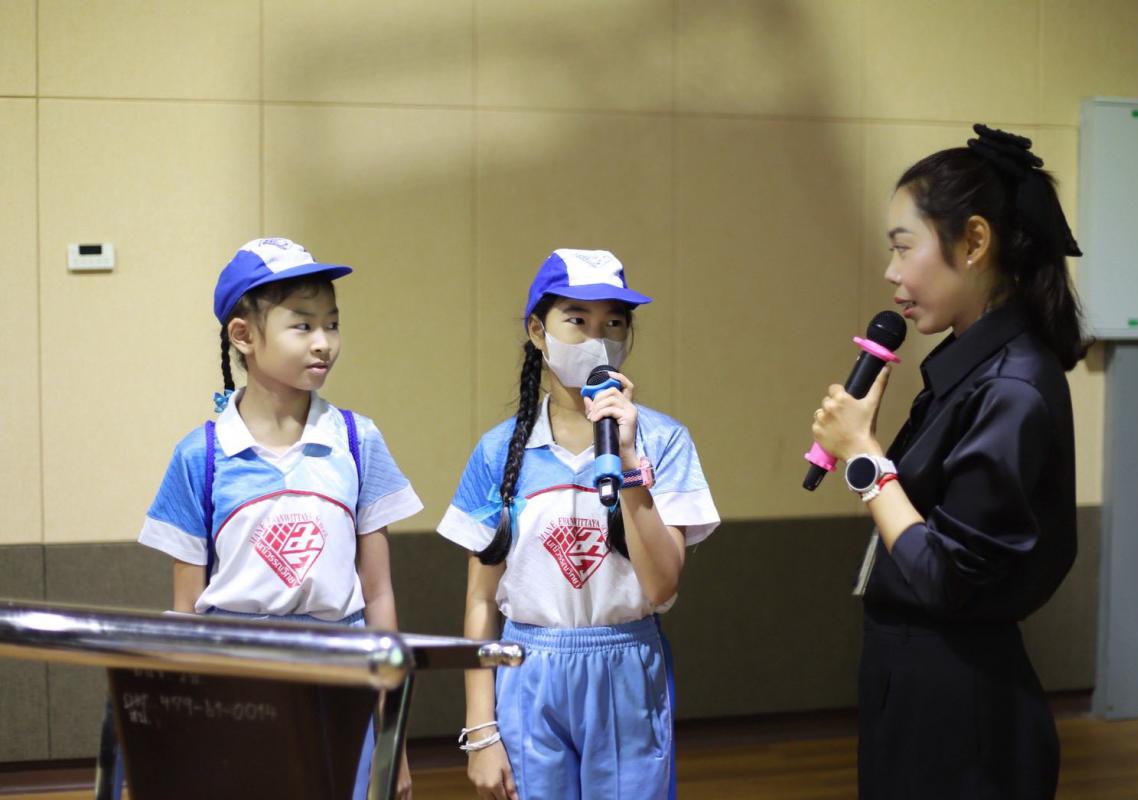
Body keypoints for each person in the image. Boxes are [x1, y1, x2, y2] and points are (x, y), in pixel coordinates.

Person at [811, 125, 1083, 799]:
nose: (891, 271)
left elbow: (946, 576)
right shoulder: (971, 369)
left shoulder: (1012, 385)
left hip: (960, 704)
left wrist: (864, 458)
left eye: (904, 246)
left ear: (974, 241)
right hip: (920, 679)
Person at [138, 237, 421, 799]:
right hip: (237, 679)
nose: (324, 343)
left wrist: (395, 736)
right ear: (243, 335)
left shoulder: (357, 440)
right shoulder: (200, 456)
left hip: (343, 671)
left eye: (332, 324)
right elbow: (186, 612)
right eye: (303, 325)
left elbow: (379, 593)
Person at [437, 249, 720, 800]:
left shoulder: (663, 441)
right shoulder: (499, 451)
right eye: (577, 320)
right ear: (538, 332)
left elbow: (662, 586)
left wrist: (629, 460)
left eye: (613, 322)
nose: (598, 339)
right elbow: (480, 600)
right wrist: (481, 730)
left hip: (626, 666)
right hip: (527, 669)